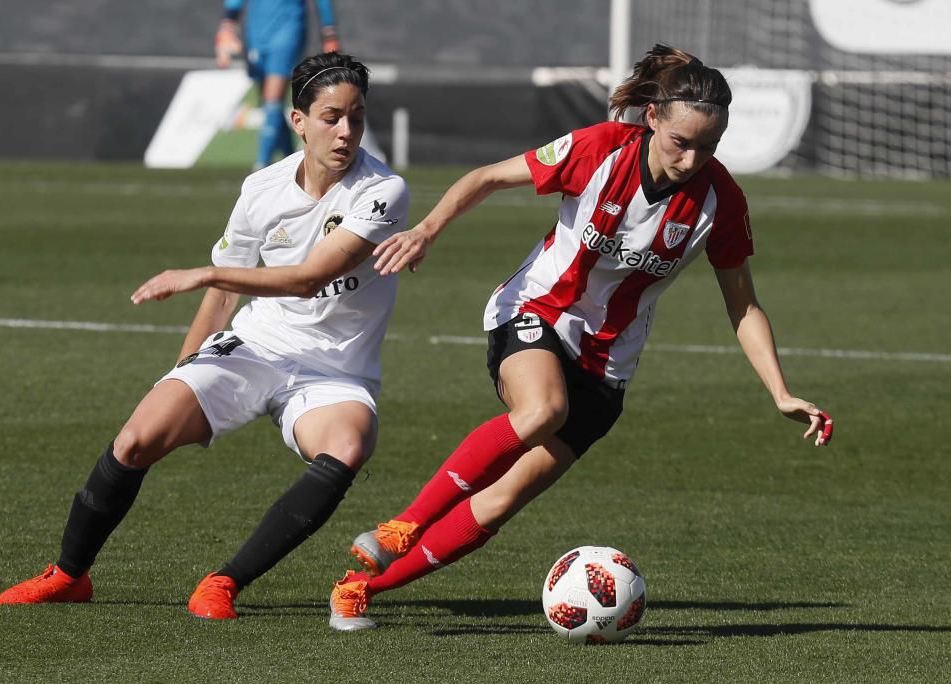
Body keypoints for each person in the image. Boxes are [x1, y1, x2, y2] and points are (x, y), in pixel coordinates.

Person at [326, 44, 834, 632]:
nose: (693, 158)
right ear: (653, 120)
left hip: (609, 362)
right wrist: (428, 230)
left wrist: (780, 391)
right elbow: (489, 176)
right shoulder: (598, 149)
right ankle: (404, 525)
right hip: (536, 309)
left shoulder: (721, 201)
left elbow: (742, 303)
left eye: (708, 147)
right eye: (681, 142)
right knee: (543, 409)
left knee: (501, 501)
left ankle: (363, 588)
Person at [0, 52, 410, 621]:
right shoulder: (261, 189)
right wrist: (183, 373)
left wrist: (205, 271)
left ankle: (223, 583)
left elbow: (310, 276)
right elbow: (222, 300)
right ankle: (68, 575)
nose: (346, 132)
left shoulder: (383, 190)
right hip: (257, 346)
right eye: (332, 117)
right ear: (298, 121)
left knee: (347, 448)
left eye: (356, 118)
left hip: (333, 372)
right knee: (138, 438)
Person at [216, 0, 341, 169]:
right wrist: (228, 24)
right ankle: (293, 162)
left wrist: (329, 31)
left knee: (272, 98)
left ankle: (261, 164)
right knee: (269, 105)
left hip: (288, 30)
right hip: (256, 33)